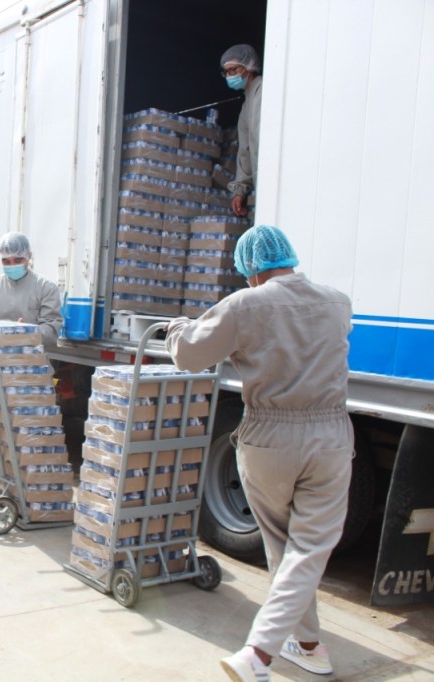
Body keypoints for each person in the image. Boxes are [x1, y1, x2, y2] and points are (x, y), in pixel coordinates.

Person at [164, 225, 352, 682]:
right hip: (330, 436)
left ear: (250, 268)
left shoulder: (246, 304)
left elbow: (189, 355)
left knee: (286, 547)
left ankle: (259, 653)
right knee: (307, 550)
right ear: (289, 256)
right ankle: (309, 646)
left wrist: (178, 328)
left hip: (270, 437)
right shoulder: (338, 302)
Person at [0, 232, 62, 347]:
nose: (12, 265)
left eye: (18, 260)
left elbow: (51, 332)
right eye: (6, 261)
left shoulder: (46, 288)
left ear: (29, 257)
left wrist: (29, 333)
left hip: (32, 354)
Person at [221, 44, 263, 218]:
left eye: (233, 70)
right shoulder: (246, 105)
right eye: (226, 72)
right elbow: (245, 151)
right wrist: (240, 191)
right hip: (262, 186)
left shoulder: (263, 92)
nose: (230, 76)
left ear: (249, 67)